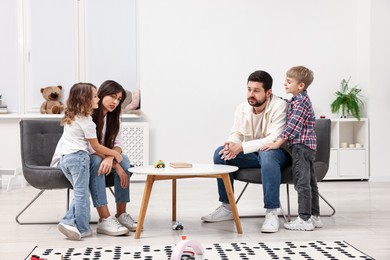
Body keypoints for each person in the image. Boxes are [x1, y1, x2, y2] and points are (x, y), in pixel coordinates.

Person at [201, 70, 291, 233]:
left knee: (267, 154)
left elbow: (273, 139)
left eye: (256, 91)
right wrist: (231, 144)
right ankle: (227, 207)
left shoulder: (280, 106)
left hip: (278, 153)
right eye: (249, 89)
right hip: (255, 154)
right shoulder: (242, 108)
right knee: (220, 154)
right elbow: (237, 133)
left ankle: (271, 212)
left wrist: (241, 147)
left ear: (268, 92)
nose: (251, 94)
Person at [51, 83, 123, 240]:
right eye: (95, 96)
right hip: (79, 158)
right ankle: (78, 226)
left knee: (80, 192)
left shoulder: (72, 116)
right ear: (85, 100)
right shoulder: (88, 121)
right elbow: (95, 146)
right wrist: (114, 155)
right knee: (82, 193)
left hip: (66, 158)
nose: (97, 99)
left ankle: (74, 223)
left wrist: (112, 157)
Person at [262, 66, 322, 231]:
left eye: (289, 82)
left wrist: (278, 142)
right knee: (311, 182)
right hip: (308, 146)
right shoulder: (299, 100)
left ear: (300, 85)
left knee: (302, 183)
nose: (285, 84)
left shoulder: (300, 102)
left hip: (300, 147)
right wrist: (276, 98)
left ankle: (304, 219)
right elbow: (290, 106)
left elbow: (293, 126)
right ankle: (315, 216)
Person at [89, 80, 137, 236]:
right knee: (97, 161)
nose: (116, 102)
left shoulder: (114, 117)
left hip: (105, 156)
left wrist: (112, 157)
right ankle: (104, 218)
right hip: (85, 158)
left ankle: (121, 214)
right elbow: (90, 148)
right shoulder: (88, 115)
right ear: (101, 94)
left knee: (126, 161)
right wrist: (113, 161)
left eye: (119, 99)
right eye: (112, 97)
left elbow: (118, 144)